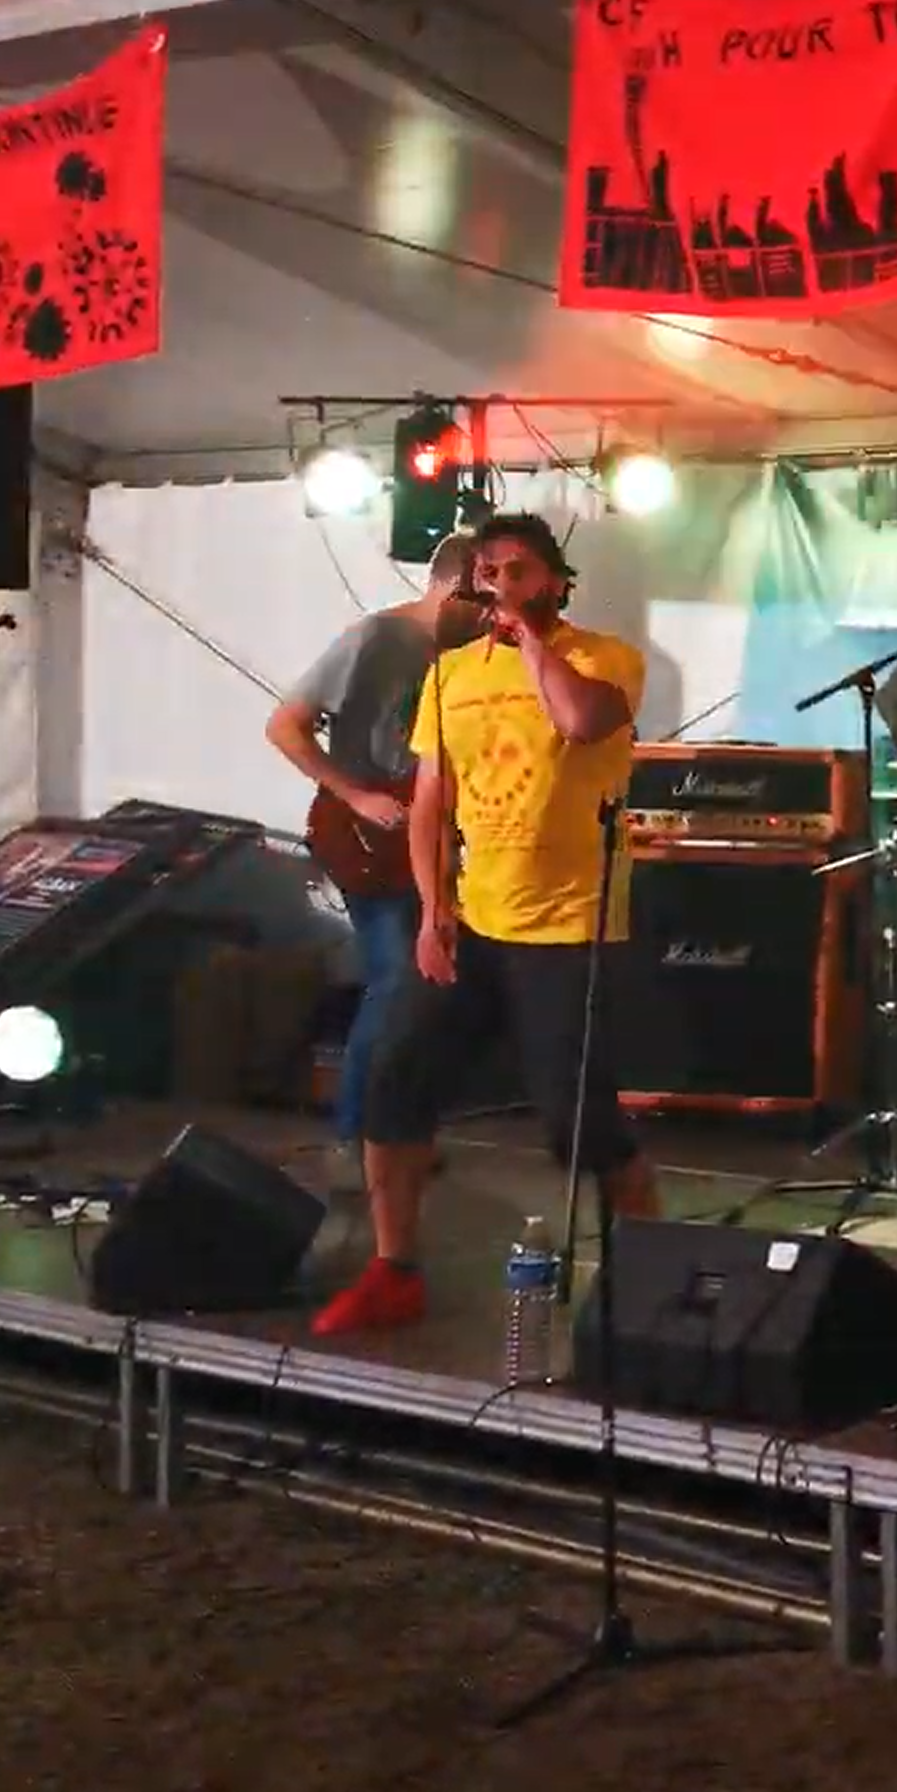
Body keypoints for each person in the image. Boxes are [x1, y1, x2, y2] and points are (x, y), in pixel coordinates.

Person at [315, 513, 661, 1338]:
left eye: (518, 569)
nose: (499, 580)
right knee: (395, 1081)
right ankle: (394, 1269)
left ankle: (648, 1283)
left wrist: (529, 638)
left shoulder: (603, 657)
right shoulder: (450, 674)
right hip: (476, 920)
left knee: (578, 1121)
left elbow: (579, 722)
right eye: (488, 570)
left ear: (556, 581)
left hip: (569, 928)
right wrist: (434, 912)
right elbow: (433, 799)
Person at [266, 531, 487, 1172]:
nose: (488, 615)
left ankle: (397, 1132)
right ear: (450, 585)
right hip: (369, 834)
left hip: (433, 834)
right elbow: (285, 726)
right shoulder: (376, 638)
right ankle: (358, 1135)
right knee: (395, 981)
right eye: (480, 599)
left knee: (426, 990)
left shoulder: (473, 653)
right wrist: (357, 796)